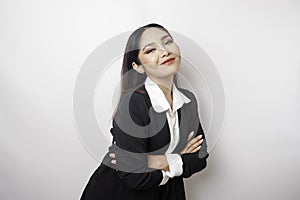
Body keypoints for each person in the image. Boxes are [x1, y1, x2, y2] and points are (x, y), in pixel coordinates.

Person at [80, 23, 209, 200]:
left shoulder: (188, 101)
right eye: (150, 50)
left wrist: (150, 161)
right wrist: (179, 159)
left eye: (168, 42)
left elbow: (200, 157)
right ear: (138, 66)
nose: (164, 52)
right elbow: (134, 176)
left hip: (166, 192)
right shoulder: (132, 104)